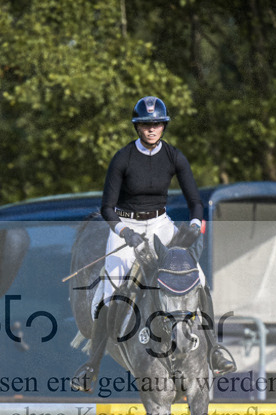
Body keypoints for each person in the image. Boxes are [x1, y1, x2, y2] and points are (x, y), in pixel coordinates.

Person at [72, 96, 236, 392]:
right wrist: (125, 233)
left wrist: (196, 225)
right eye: (146, 125)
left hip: (160, 223)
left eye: (157, 124)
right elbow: (107, 208)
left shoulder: (174, 157)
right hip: (126, 224)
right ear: (138, 127)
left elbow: (194, 201)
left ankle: (214, 349)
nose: (152, 129)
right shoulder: (122, 159)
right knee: (113, 287)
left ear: (163, 126)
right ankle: (91, 366)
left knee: (197, 277)